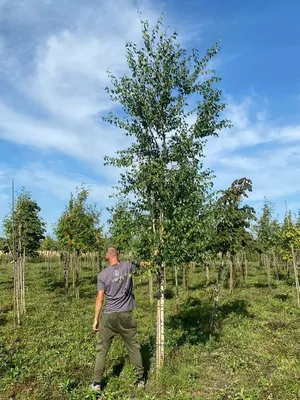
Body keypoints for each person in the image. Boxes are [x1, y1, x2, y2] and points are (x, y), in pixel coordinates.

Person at [91, 247, 145, 393]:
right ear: (117, 255)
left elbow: (100, 299)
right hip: (126, 315)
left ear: (107, 257)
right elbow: (143, 264)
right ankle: (140, 379)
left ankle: (96, 383)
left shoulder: (102, 275)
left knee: (102, 350)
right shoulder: (128, 266)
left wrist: (96, 319)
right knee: (133, 347)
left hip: (109, 317)